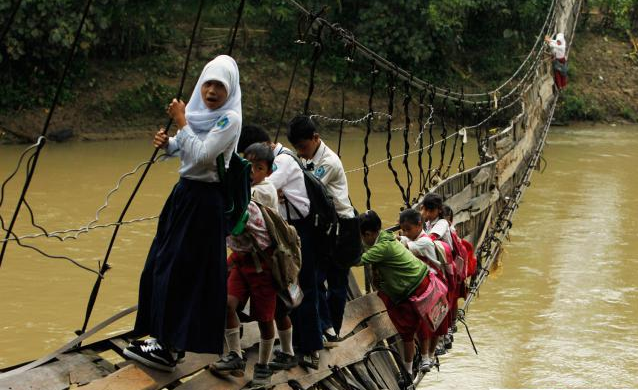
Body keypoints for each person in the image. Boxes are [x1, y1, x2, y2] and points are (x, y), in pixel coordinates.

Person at [124, 55, 242, 372]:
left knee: (182, 271)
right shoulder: (199, 114)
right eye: (208, 84)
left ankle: (170, 347)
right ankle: (164, 338)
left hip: (205, 203)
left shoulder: (229, 119)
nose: (212, 92)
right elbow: (186, 148)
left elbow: (204, 156)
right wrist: (168, 144)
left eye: (220, 86)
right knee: (160, 264)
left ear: (229, 90)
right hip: (184, 195)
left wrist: (180, 121)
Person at [237, 124, 323, 369]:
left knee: (299, 289)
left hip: (296, 232)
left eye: (255, 165)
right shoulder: (278, 159)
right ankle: (294, 345)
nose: (250, 170)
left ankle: (309, 349)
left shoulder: (281, 162)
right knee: (287, 290)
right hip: (282, 230)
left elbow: (255, 191)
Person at [211, 143, 294, 387]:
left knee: (266, 318)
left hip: (263, 266)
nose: (251, 172)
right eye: (249, 166)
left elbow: (234, 215)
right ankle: (235, 356)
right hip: (241, 259)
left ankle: (264, 365)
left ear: (268, 172)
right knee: (228, 304)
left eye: (259, 168)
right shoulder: (244, 189)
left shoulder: (260, 193)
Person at [286, 115, 359, 348]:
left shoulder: (328, 162)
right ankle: (325, 327)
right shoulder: (307, 157)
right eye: (296, 149)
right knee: (315, 279)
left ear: (316, 138)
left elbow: (307, 190)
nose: (301, 152)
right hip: (326, 227)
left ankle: (332, 330)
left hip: (343, 228)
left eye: (303, 147)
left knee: (337, 286)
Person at [358, 210, 432, 376]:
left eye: (361, 237)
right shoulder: (385, 236)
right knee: (421, 322)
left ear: (368, 234)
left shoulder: (382, 247)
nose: (361, 240)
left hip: (412, 286)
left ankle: (407, 371)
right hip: (419, 280)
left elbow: (357, 260)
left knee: (407, 331)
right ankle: (423, 359)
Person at [397, 208, 446, 372]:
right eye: (403, 229)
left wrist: (397, 239)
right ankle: (426, 356)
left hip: (432, 285)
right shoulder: (415, 237)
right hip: (423, 284)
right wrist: (402, 236)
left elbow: (405, 248)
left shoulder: (424, 242)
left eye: (408, 229)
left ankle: (428, 357)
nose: (405, 232)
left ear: (419, 225)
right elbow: (405, 240)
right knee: (425, 322)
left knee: (431, 321)